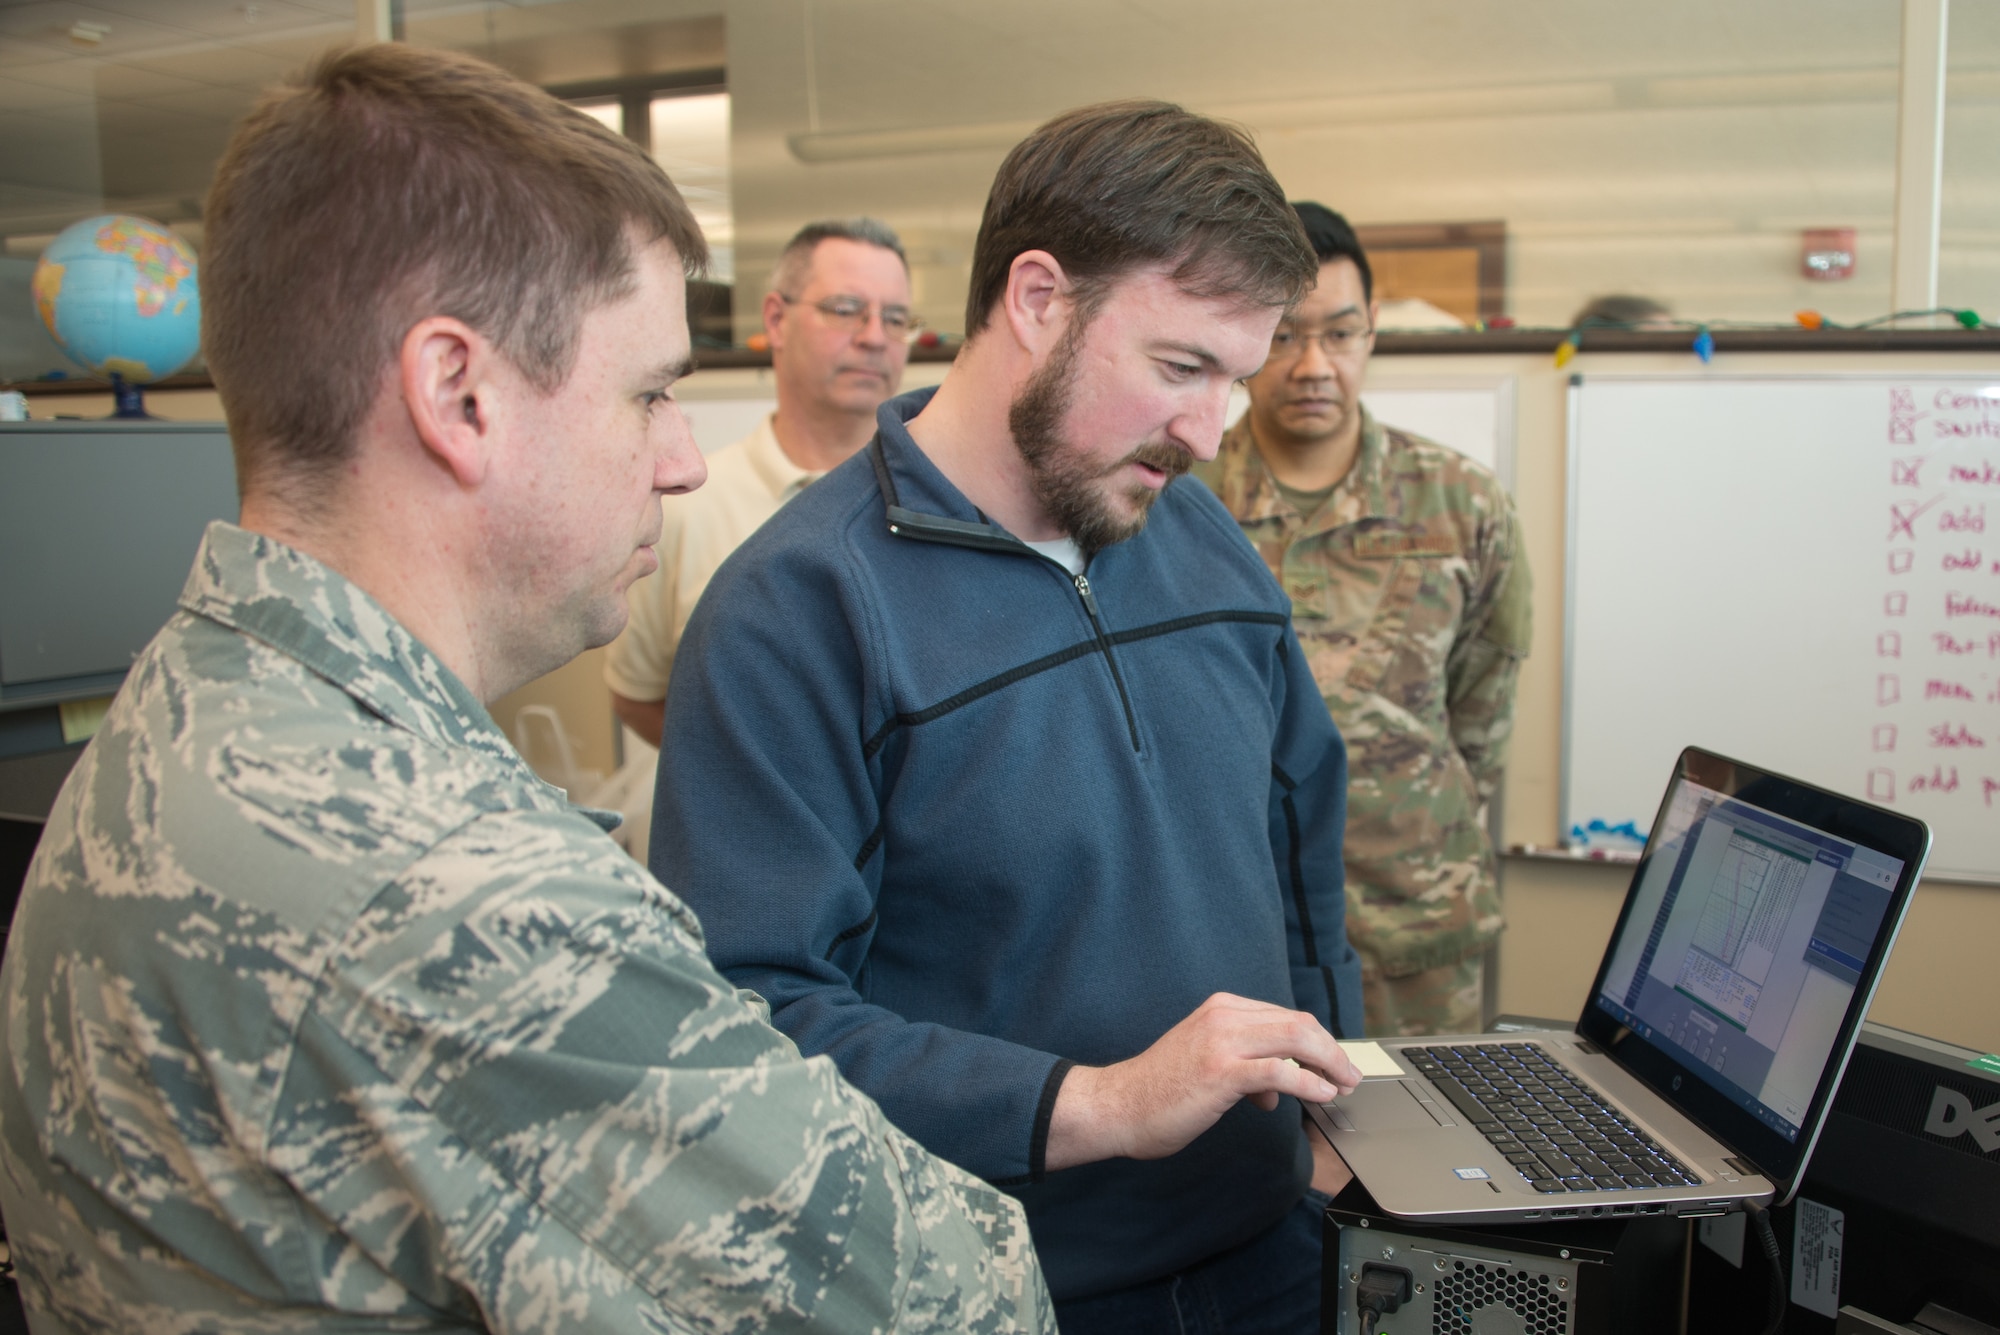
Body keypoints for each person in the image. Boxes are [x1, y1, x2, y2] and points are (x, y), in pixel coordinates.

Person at [0, 45, 1049, 1334]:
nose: (677, 461)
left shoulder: (195, 697)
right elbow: (953, 1299)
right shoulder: (446, 892)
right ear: (459, 393)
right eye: (650, 391)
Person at [653, 101, 1366, 1330]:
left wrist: (1338, 1108)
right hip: (994, 1286)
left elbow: (1297, 835)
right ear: (1037, 300)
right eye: (1180, 367)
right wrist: (1094, 1103)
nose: (1208, 431)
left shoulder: (1193, 534)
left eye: (1230, 380)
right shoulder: (800, 607)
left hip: (1275, 1250)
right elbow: (748, 1019)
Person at [1194, 203, 1532, 1038]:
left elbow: (1482, 711)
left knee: (1438, 1155)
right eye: (1284, 335)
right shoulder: (1177, 504)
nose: (1313, 364)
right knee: (1264, 1163)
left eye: (1340, 333)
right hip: (1234, 931)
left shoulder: (1461, 502)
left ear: (1373, 330)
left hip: (1414, 924)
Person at [601, 218, 913, 861]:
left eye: (897, 318)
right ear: (775, 319)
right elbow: (636, 693)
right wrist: (764, 775)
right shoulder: (686, 506)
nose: (875, 337)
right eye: (846, 309)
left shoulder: (944, 509)